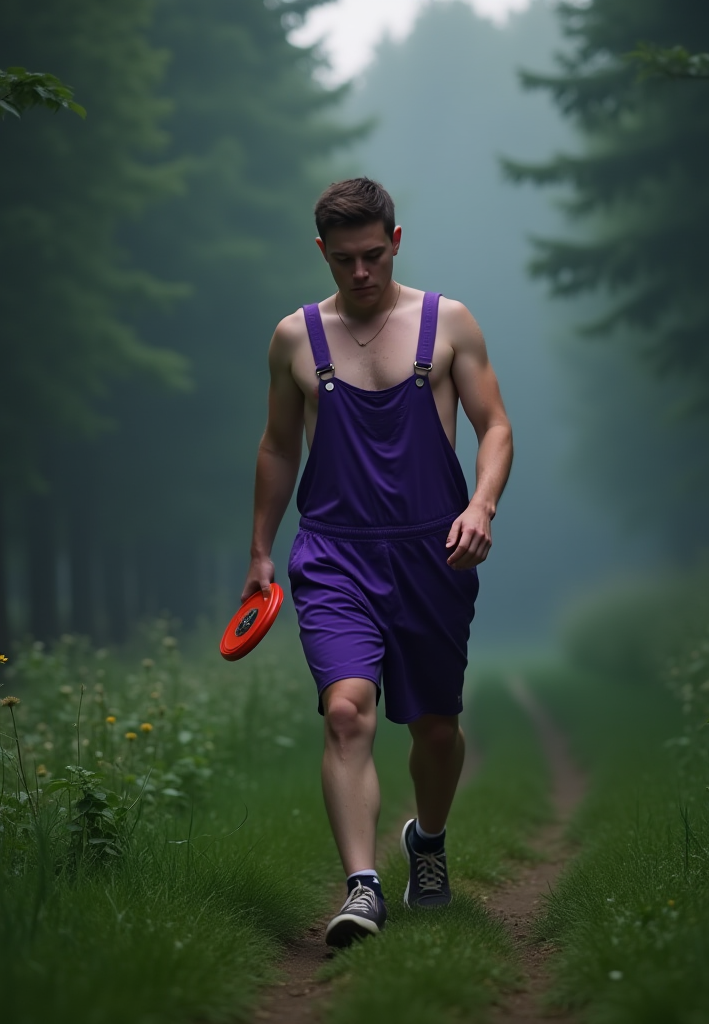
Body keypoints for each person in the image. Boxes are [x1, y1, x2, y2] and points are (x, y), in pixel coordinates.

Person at [242, 177, 513, 947]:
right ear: (320, 252)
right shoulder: (295, 337)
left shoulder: (447, 322)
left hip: (436, 551)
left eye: (372, 256)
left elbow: (495, 427)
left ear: (396, 241)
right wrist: (261, 549)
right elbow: (277, 446)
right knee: (345, 710)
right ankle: (363, 888)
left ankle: (425, 841)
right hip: (332, 552)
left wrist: (481, 505)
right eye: (343, 261)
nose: (360, 275)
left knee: (433, 729)